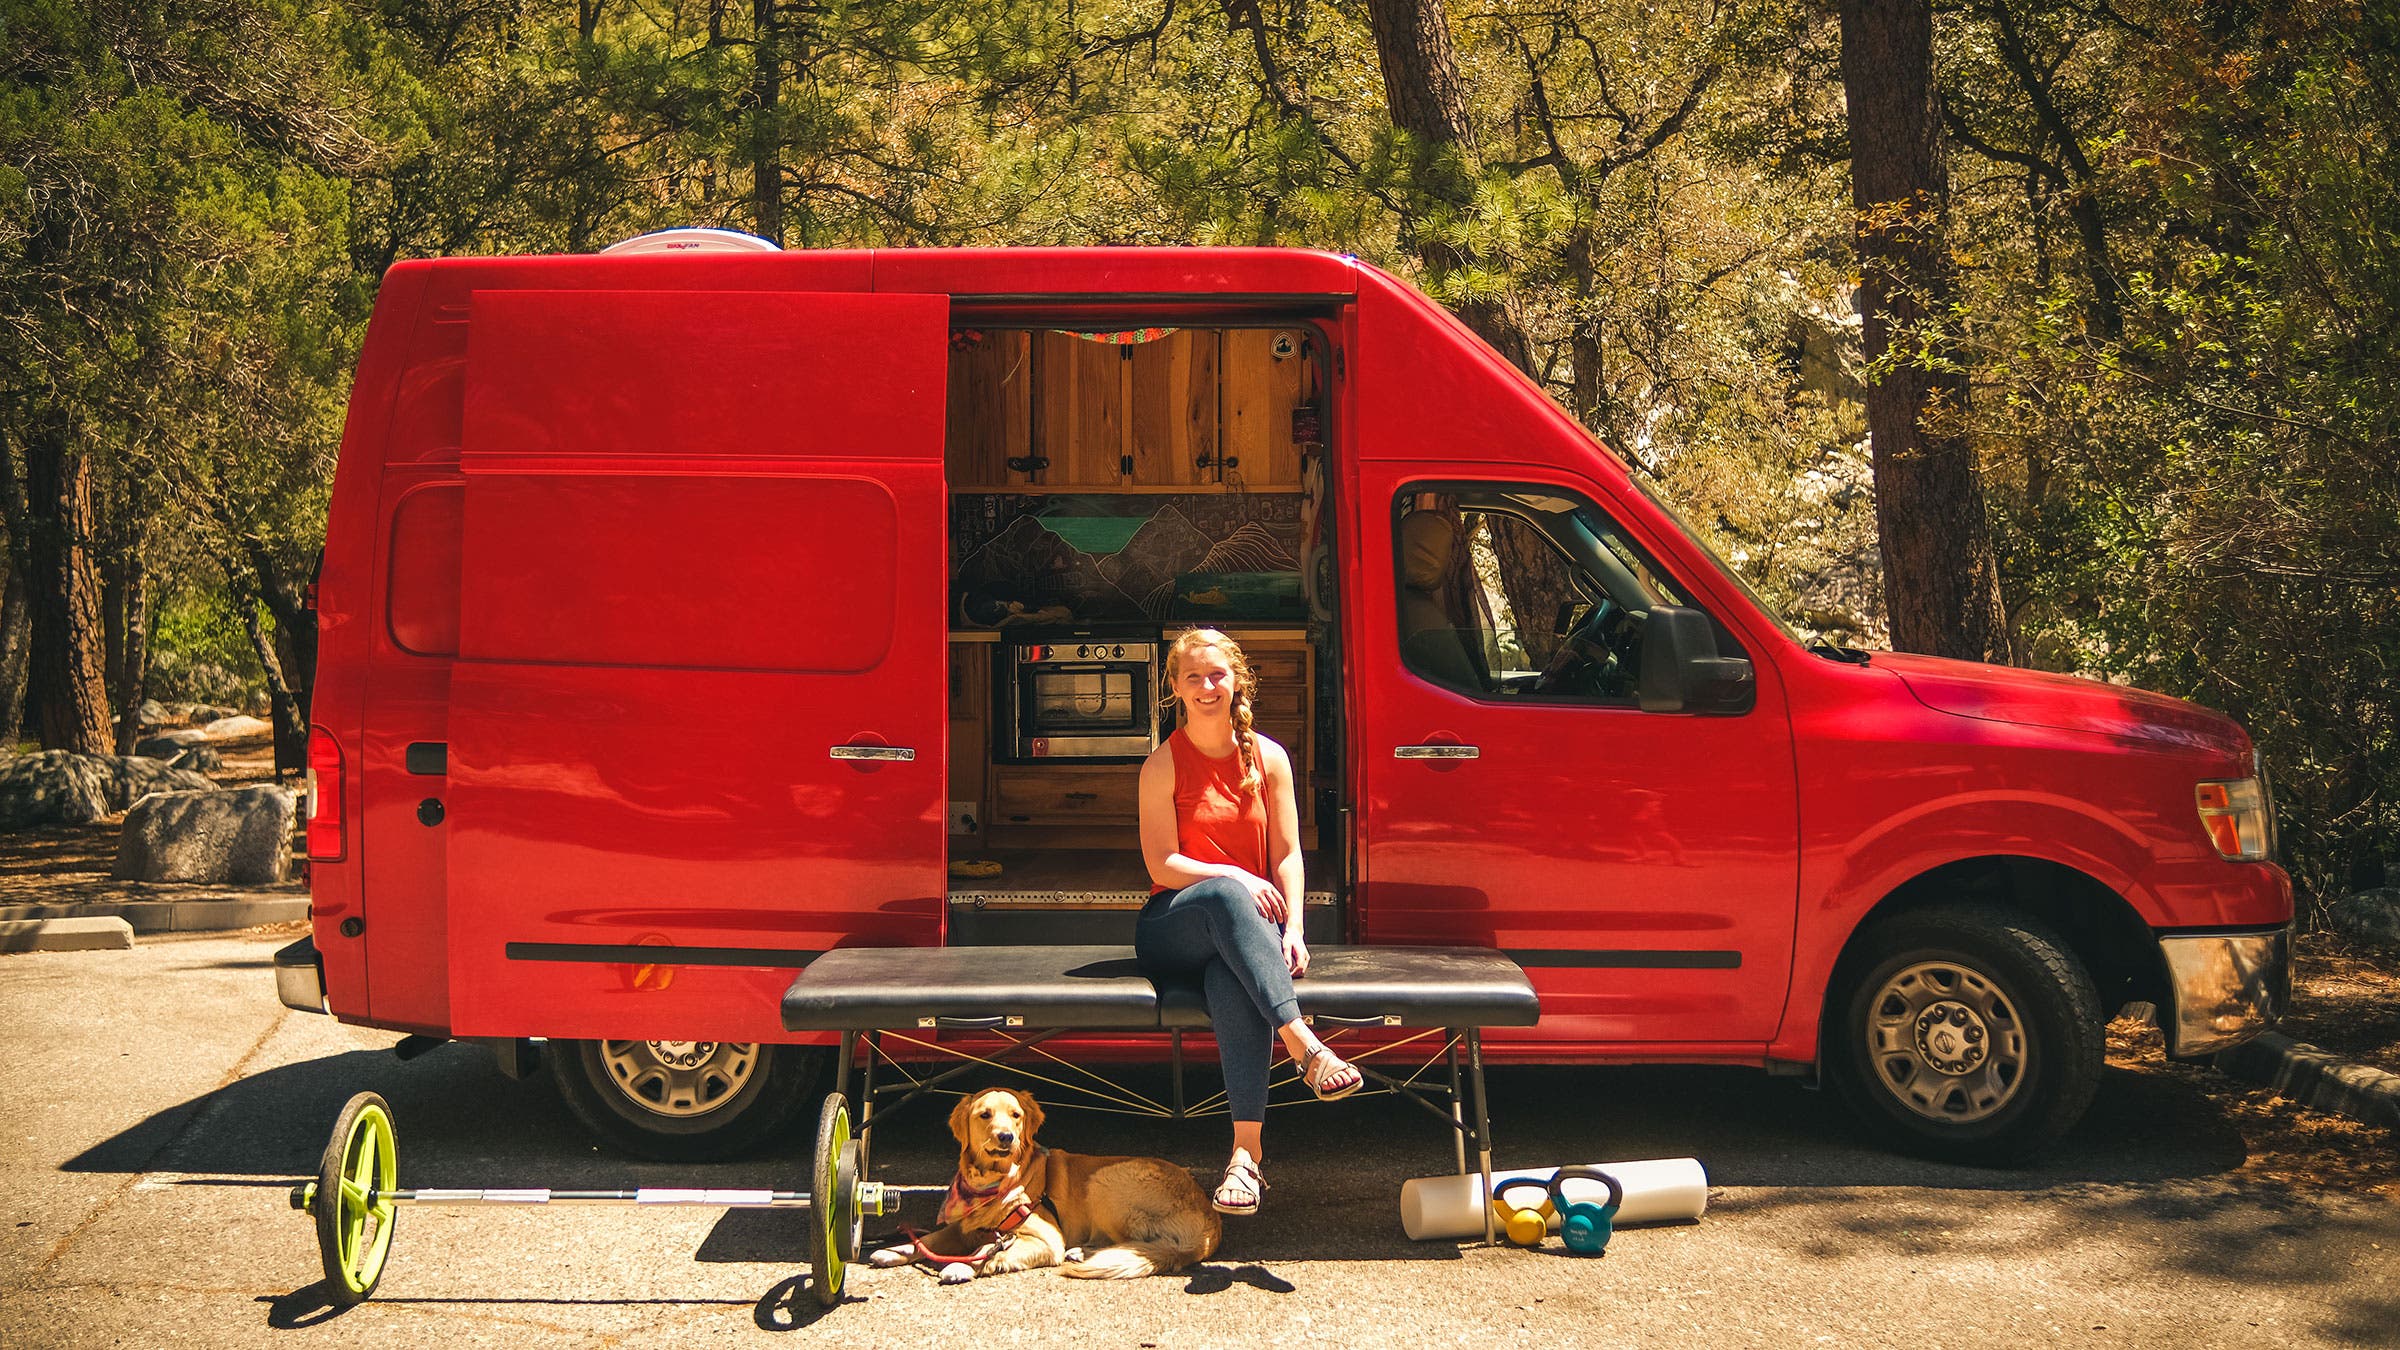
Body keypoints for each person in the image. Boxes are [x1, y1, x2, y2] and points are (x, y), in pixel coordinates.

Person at [1136, 627, 1362, 1217]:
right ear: (1176, 690)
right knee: (1227, 893)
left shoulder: (1269, 758)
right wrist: (1235, 876)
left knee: (1232, 982)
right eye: (1193, 677)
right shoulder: (1162, 765)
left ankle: (1245, 1157)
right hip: (1173, 923)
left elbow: (1288, 853)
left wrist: (1295, 930)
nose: (1207, 686)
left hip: (1246, 934)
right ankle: (1303, 1043)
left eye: (1217, 675)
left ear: (1237, 680)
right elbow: (1161, 862)